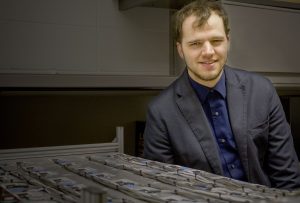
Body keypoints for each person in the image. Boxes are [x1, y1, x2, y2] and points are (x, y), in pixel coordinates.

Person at [143, 0, 300, 189]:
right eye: (195, 44)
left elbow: (288, 178)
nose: (208, 52)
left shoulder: (262, 91)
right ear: (180, 50)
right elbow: (164, 190)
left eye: (216, 41)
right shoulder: (161, 112)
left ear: (228, 41)